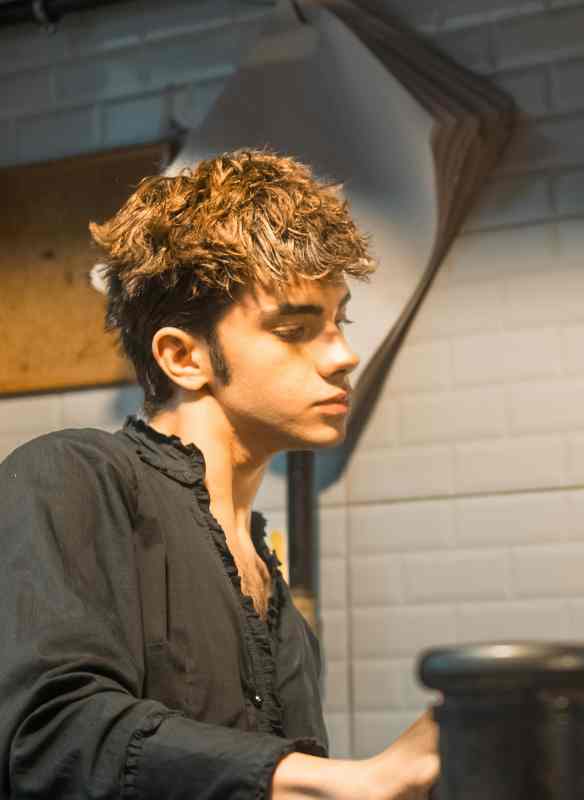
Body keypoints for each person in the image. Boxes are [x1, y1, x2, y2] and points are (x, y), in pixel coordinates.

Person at [0, 150, 439, 799]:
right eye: (295, 329)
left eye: (338, 321)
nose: (344, 355)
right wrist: (338, 782)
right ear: (183, 357)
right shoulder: (72, 475)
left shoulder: (271, 587)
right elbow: (50, 734)